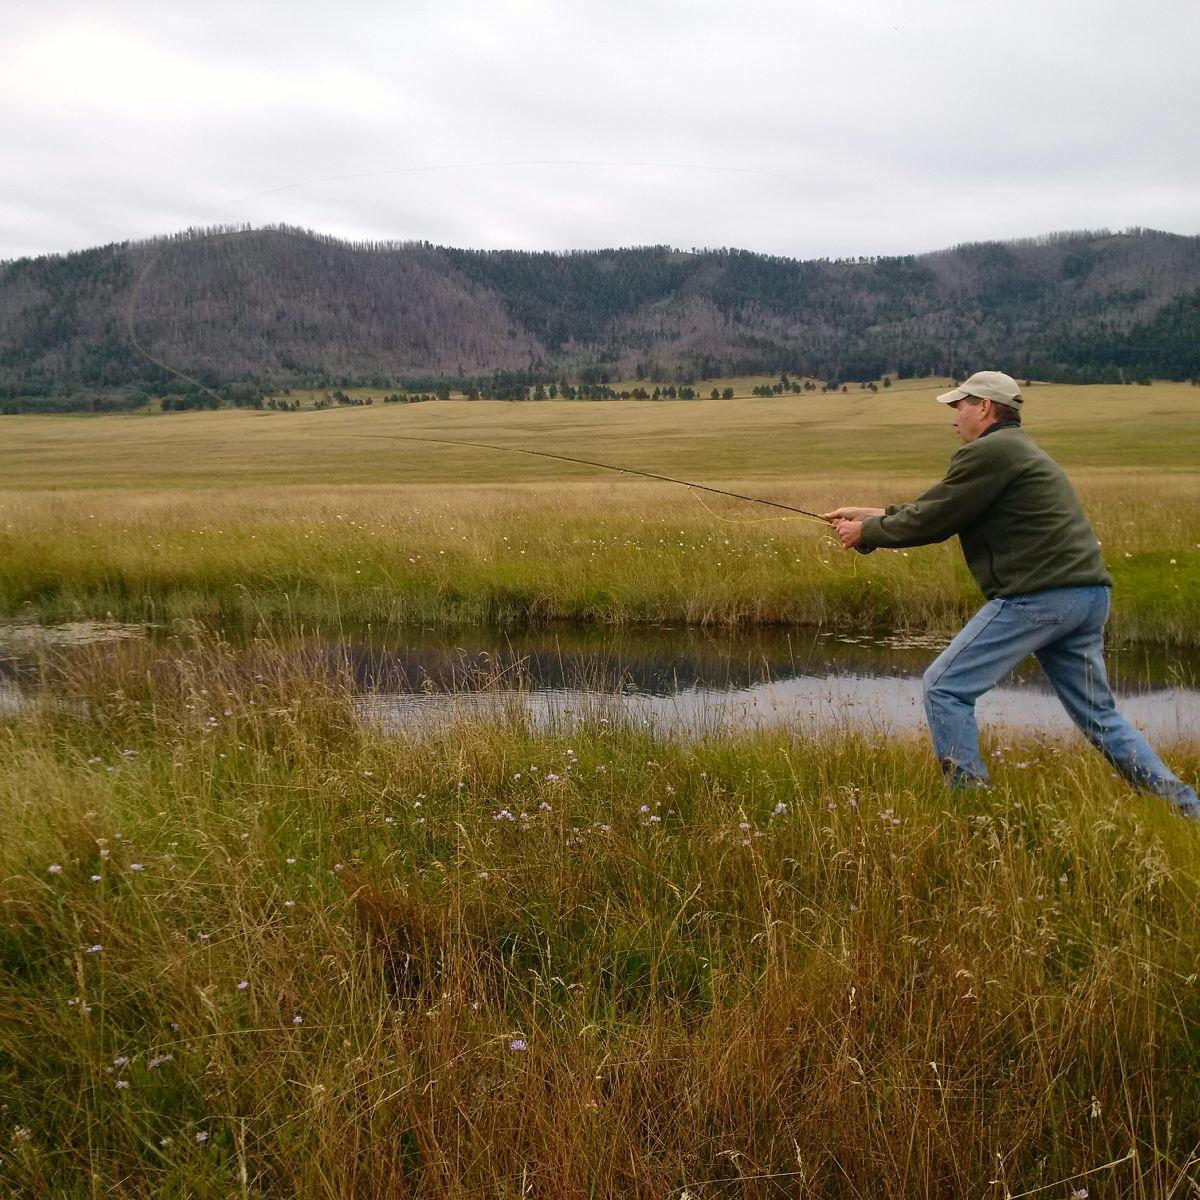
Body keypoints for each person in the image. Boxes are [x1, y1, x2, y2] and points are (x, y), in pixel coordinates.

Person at [824, 370, 1199, 818]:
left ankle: (974, 811)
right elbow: (941, 505)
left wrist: (865, 532)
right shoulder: (1012, 450)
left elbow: (933, 520)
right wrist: (870, 514)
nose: (953, 418)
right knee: (1102, 718)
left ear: (984, 407)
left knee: (944, 688)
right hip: (1086, 596)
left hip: (1040, 597)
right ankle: (1185, 810)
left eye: (959, 406)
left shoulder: (990, 452)